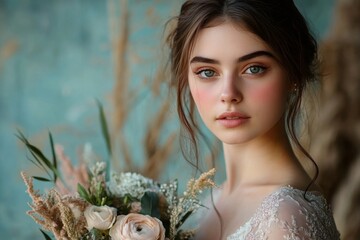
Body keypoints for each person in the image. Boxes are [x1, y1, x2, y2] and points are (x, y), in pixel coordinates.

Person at [166, 0, 340, 239]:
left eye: (254, 68)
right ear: (186, 78)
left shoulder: (288, 219)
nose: (228, 94)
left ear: (293, 74)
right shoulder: (208, 205)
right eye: (207, 72)